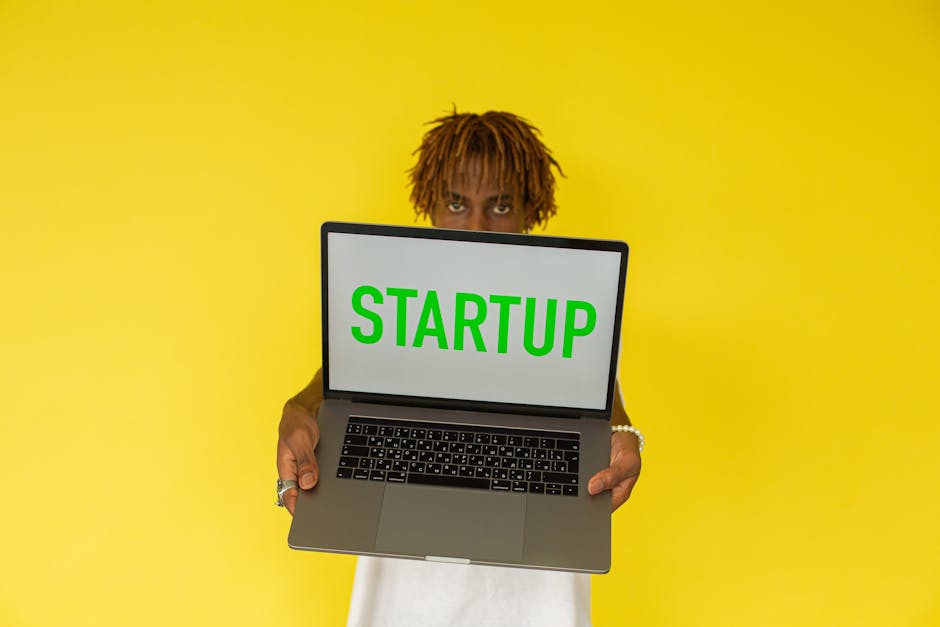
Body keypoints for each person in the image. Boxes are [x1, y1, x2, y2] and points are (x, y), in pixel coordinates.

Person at [277, 110, 643, 626]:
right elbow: (343, 377)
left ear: (531, 210)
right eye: (456, 203)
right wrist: (300, 406)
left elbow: (602, 402)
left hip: (535, 590)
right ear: (429, 204)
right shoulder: (394, 295)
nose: (475, 228)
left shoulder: (573, 298)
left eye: (500, 205)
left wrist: (625, 434)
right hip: (407, 582)